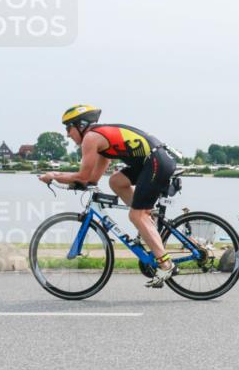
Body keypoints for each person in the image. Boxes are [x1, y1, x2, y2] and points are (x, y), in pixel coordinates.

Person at [39, 105, 178, 288]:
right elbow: (93, 178)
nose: (67, 134)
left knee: (135, 215)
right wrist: (84, 183)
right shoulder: (100, 139)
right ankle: (148, 219)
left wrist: (54, 176)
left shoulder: (91, 137)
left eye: (68, 128)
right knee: (116, 181)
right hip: (152, 161)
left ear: (80, 125)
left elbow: (83, 176)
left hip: (155, 162)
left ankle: (165, 264)